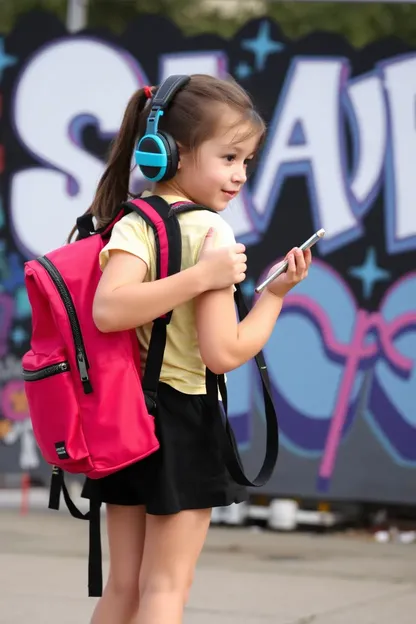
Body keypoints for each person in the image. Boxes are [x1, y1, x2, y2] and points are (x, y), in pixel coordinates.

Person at [81, 74, 312, 624]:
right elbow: (222, 353)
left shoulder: (133, 220)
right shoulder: (212, 233)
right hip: (183, 418)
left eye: (247, 161)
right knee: (165, 589)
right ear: (173, 153)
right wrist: (273, 297)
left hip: (127, 417)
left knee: (124, 589)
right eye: (229, 157)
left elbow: (113, 310)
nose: (240, 175)